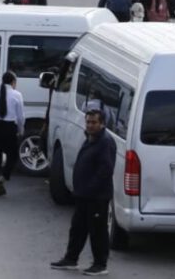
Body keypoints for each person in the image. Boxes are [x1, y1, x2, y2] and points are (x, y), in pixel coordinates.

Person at [50, 109, 116, 277]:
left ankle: (100, 264)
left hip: (96, 197)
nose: (90, 125)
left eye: (94, 122)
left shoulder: (105, 142)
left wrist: (90, 188)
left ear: (102, 124)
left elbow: (105, 170)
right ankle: (71, 259)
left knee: (97, 232)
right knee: (78, 229)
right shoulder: (90, 139)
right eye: (88, 122)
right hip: (83, 196)